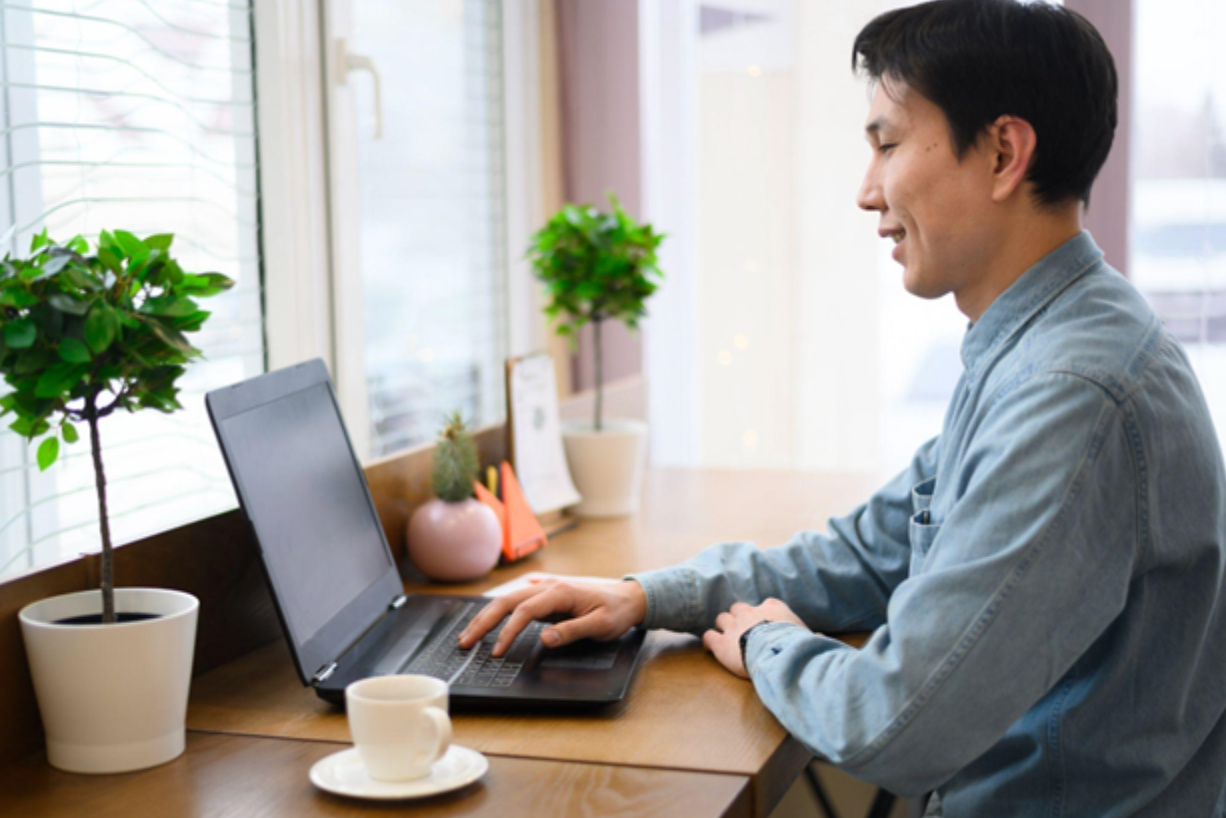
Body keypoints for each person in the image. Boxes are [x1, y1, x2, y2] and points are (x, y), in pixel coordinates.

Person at [459, 1, 1226, 814]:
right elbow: (867, 552)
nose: (867, 192)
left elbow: (891, 723)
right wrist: (647, 597)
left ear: (1004, 152)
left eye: (887, 144)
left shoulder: (1073, 393)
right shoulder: (1034, 348)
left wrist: (766, 642)